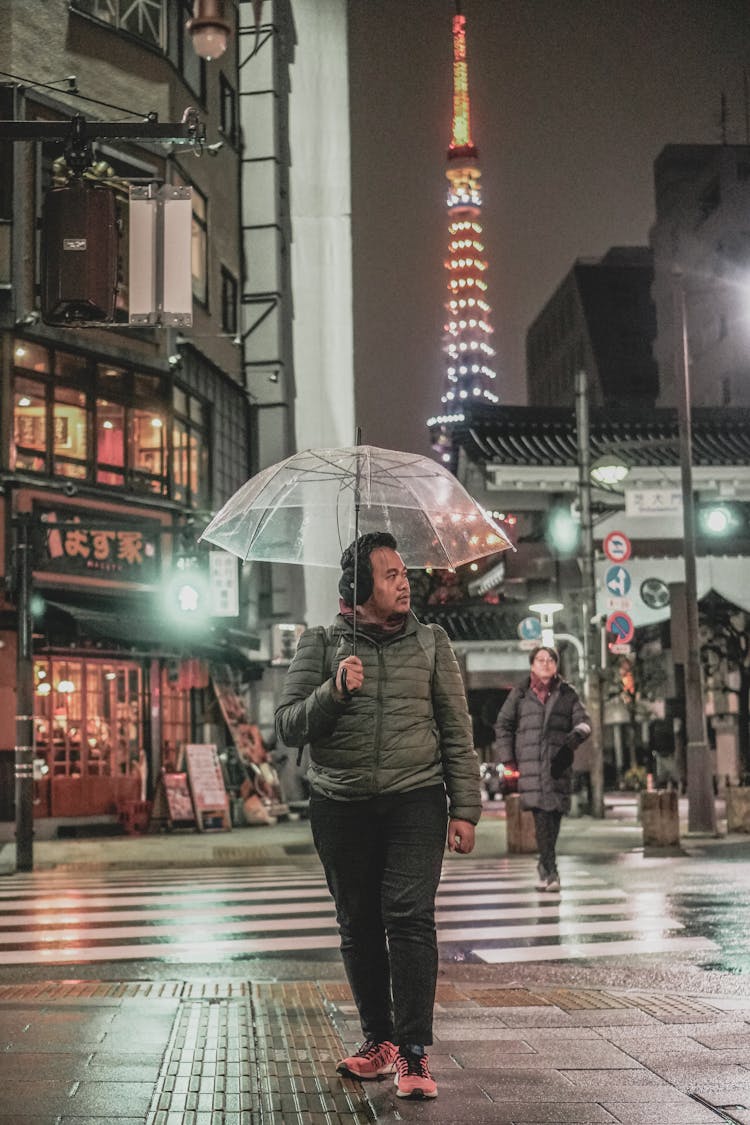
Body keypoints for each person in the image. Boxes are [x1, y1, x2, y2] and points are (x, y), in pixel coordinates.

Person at [275, 531, 481, 1101]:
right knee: (358, 922)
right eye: (389, 574)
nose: (403, 581)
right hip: (339, 804)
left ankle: (414, 1054)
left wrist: (465, 808)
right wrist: (335, 690)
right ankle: (379, 1041)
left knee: (410, 915)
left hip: (416, 796)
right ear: (359, 586)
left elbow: (458, 734)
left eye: (402, 572)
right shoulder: (320, 644)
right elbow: (289, 724)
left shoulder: (433, 643)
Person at [494, 645, 590, 893]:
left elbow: (583, 721)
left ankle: (544, 866)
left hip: (558, 764)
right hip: (531, 765)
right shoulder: (521, 693)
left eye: (550, 659)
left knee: (554, 817)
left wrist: (578, 735)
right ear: (532, 664)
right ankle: (551, 871)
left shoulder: (568, 693)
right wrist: (508, 758)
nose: (545, 663)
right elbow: (503, 724)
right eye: (540, 659)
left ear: (556, 665)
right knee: (541, 817)